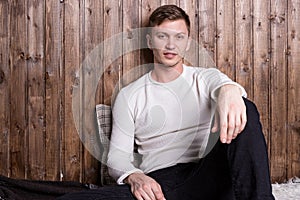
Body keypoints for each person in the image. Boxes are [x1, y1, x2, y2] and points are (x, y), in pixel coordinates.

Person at [58, 4, 275, 200]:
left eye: (179, 37)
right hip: (163, 185)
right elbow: (118, 157)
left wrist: (229, 90)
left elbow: (225, 89)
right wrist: (135, 176)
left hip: (210, 173)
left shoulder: (205, 77)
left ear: (187, 43)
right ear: (150, 41)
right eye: (162, 36)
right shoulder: (129, 95)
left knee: (244, 107)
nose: (171, 45)